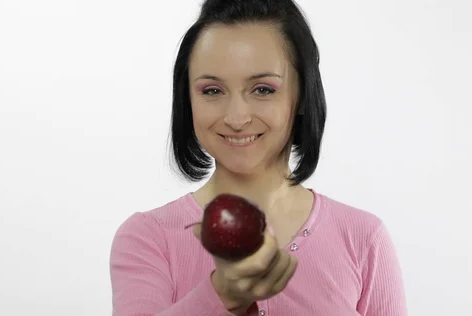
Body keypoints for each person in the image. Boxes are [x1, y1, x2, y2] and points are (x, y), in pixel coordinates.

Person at [109, 0, 408, 315]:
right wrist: (221, 295)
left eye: (263, 89)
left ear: (303, 95)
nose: (236, 118)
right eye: (212, 91)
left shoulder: (363, 237)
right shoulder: (149, 237)